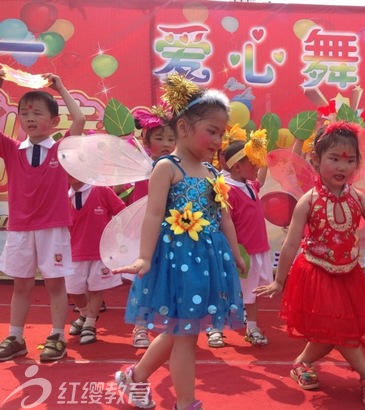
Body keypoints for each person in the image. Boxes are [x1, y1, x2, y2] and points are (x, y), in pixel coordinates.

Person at [254, 121, 365, 409]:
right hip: (316, 276)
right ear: (316, 161)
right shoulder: (307, 201)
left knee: (334, 332)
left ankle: (301, 363)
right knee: (340, 331)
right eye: (334, 159)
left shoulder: (360, 200)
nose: (341, 166)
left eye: (349, 160)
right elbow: (291, 244)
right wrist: (279, 281)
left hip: (349, 277)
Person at [112, 74, 245, 410]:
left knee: (179, 331)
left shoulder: (214, 174)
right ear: (184, 128)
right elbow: (154, 215)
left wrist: (234, 253)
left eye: (221, 133)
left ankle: (135, 377)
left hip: (209, 261)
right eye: (211, 131)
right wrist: (143, 257)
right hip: (177, 263)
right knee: (185, 337)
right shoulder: (166, 168)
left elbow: (223, 216)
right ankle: (186, 403)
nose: (217, 140)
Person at [0, 71, 85, 362]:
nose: (29, 118)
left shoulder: (61, 149)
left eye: (37, 113)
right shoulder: (12, 150)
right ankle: (15, 336)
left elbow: (80, 120)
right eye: (24, 113)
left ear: (54, 121)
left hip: (53, 228)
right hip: (21, 229)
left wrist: (60, 86)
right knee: (21, 284)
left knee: (54, 284)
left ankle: (58, 335)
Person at [115, 104, 177, 349]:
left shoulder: (178, 167)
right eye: (159, 138)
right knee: (143, 282)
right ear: (146, 140)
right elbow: (119, 190)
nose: (166, 143)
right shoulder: (139, 166)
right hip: (144, 236)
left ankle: (171, 330)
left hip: (174, 235)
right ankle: (140, 327)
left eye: (171, 138)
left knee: (172, 282)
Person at [218, 138, 270, 347]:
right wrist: (234, 253)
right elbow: (225, 222)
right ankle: (216, 328)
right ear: (237, 166)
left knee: (254, 291)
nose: (257, 165)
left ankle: (252, 327)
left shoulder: (250, 184)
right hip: (241, 251)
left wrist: (264, 155)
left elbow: (261, 177)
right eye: (253, 161)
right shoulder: (227, 189)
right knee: (229, 291)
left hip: (258, 249)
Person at [66, 176, 126, 344]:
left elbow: (122, 212)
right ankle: (85, 315)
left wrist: (116, 237)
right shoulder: (64, 197)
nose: (69, 174)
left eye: (73, 170)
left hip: (100, 253)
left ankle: (90, 324)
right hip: (74, 253)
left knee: (95, 289)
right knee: (74, 290)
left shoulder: (101, 190)